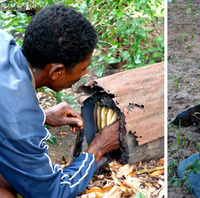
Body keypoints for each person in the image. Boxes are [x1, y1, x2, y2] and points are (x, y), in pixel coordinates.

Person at [0, 4, 120, 198]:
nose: (85, 73)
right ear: (56, 72)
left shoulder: (3, 41)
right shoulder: (18, 123)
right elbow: (52, 192)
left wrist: (41, 115)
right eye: (82, 69)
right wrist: (97, 149)